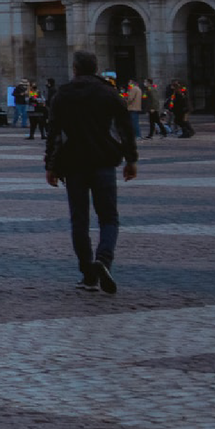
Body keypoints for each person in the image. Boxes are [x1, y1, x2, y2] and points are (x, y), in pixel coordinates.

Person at [44, 49, 138, 295]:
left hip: (73, 164)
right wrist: (131, 159)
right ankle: (103, 262)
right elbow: (125, 128)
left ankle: (88, 274)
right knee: (108, 217)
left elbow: (53, 132)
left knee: (79, 220)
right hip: (103, 162)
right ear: (95, 68)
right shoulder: (108, 92)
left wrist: (50, 166)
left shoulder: (62, 94)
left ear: (74, 68)